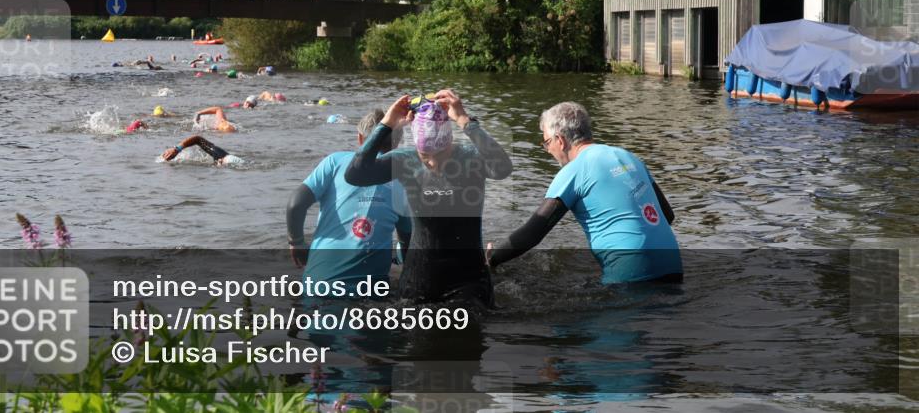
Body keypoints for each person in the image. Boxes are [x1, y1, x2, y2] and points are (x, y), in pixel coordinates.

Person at [344, 89, 512, 306]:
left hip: (468, 281)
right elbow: (355, 174)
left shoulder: (471, 158)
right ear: (416, 147)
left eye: (440, 154)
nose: (432, 163)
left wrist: (465, 121)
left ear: (450, 141)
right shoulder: (405, 161)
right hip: (418, 279)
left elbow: (503, 168)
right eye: (425, 156)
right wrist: (387, 123)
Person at [487, 102, 682, 284]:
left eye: (546, 142)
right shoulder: (628, 156)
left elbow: (533, 233)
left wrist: (492, 258)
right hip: (672, 266)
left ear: (560, 140)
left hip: (631, 273)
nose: (548, 150)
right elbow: (668, 215)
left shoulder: (574, 170)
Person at [287, 109, 411, 286]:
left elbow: (295, 204)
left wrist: (297, 243)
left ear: (360, 138)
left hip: (320, 284)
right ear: (397, 143)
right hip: (371, 292)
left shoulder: (334, 162)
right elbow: (407, 241)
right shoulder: (402, 179)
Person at [162, 135, 235, 166]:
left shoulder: (225, 159)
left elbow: (198, 139)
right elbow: (198, 139)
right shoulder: (224, 158)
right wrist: (177, 149)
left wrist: (177, 150)